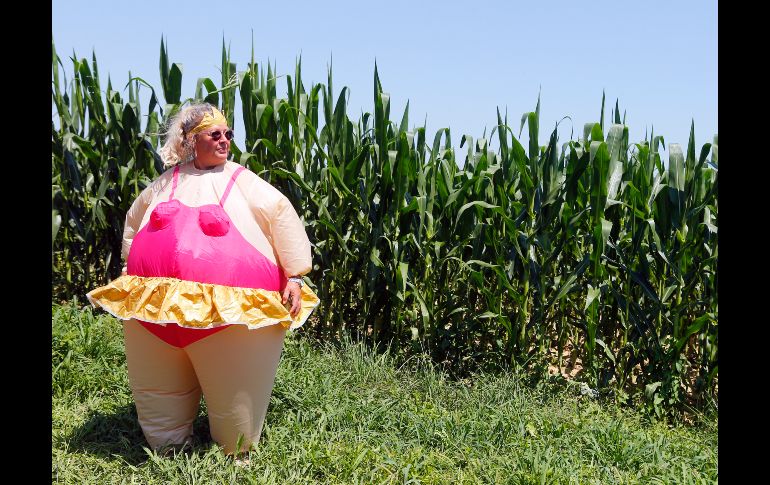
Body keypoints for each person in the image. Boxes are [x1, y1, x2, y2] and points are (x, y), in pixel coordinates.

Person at [87, 102, 319, 457]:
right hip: (156, 316)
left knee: (235, 400)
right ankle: (168, 445)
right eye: (216, 134)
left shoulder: (243, 183)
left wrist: (295, 275)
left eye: (229, 134)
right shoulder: (167, 182)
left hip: (229, 318)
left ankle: (236, 450)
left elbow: (281, 216)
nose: (225, 141)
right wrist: (130, 265)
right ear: (191, 140)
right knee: (160, 396)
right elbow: (135, 222)